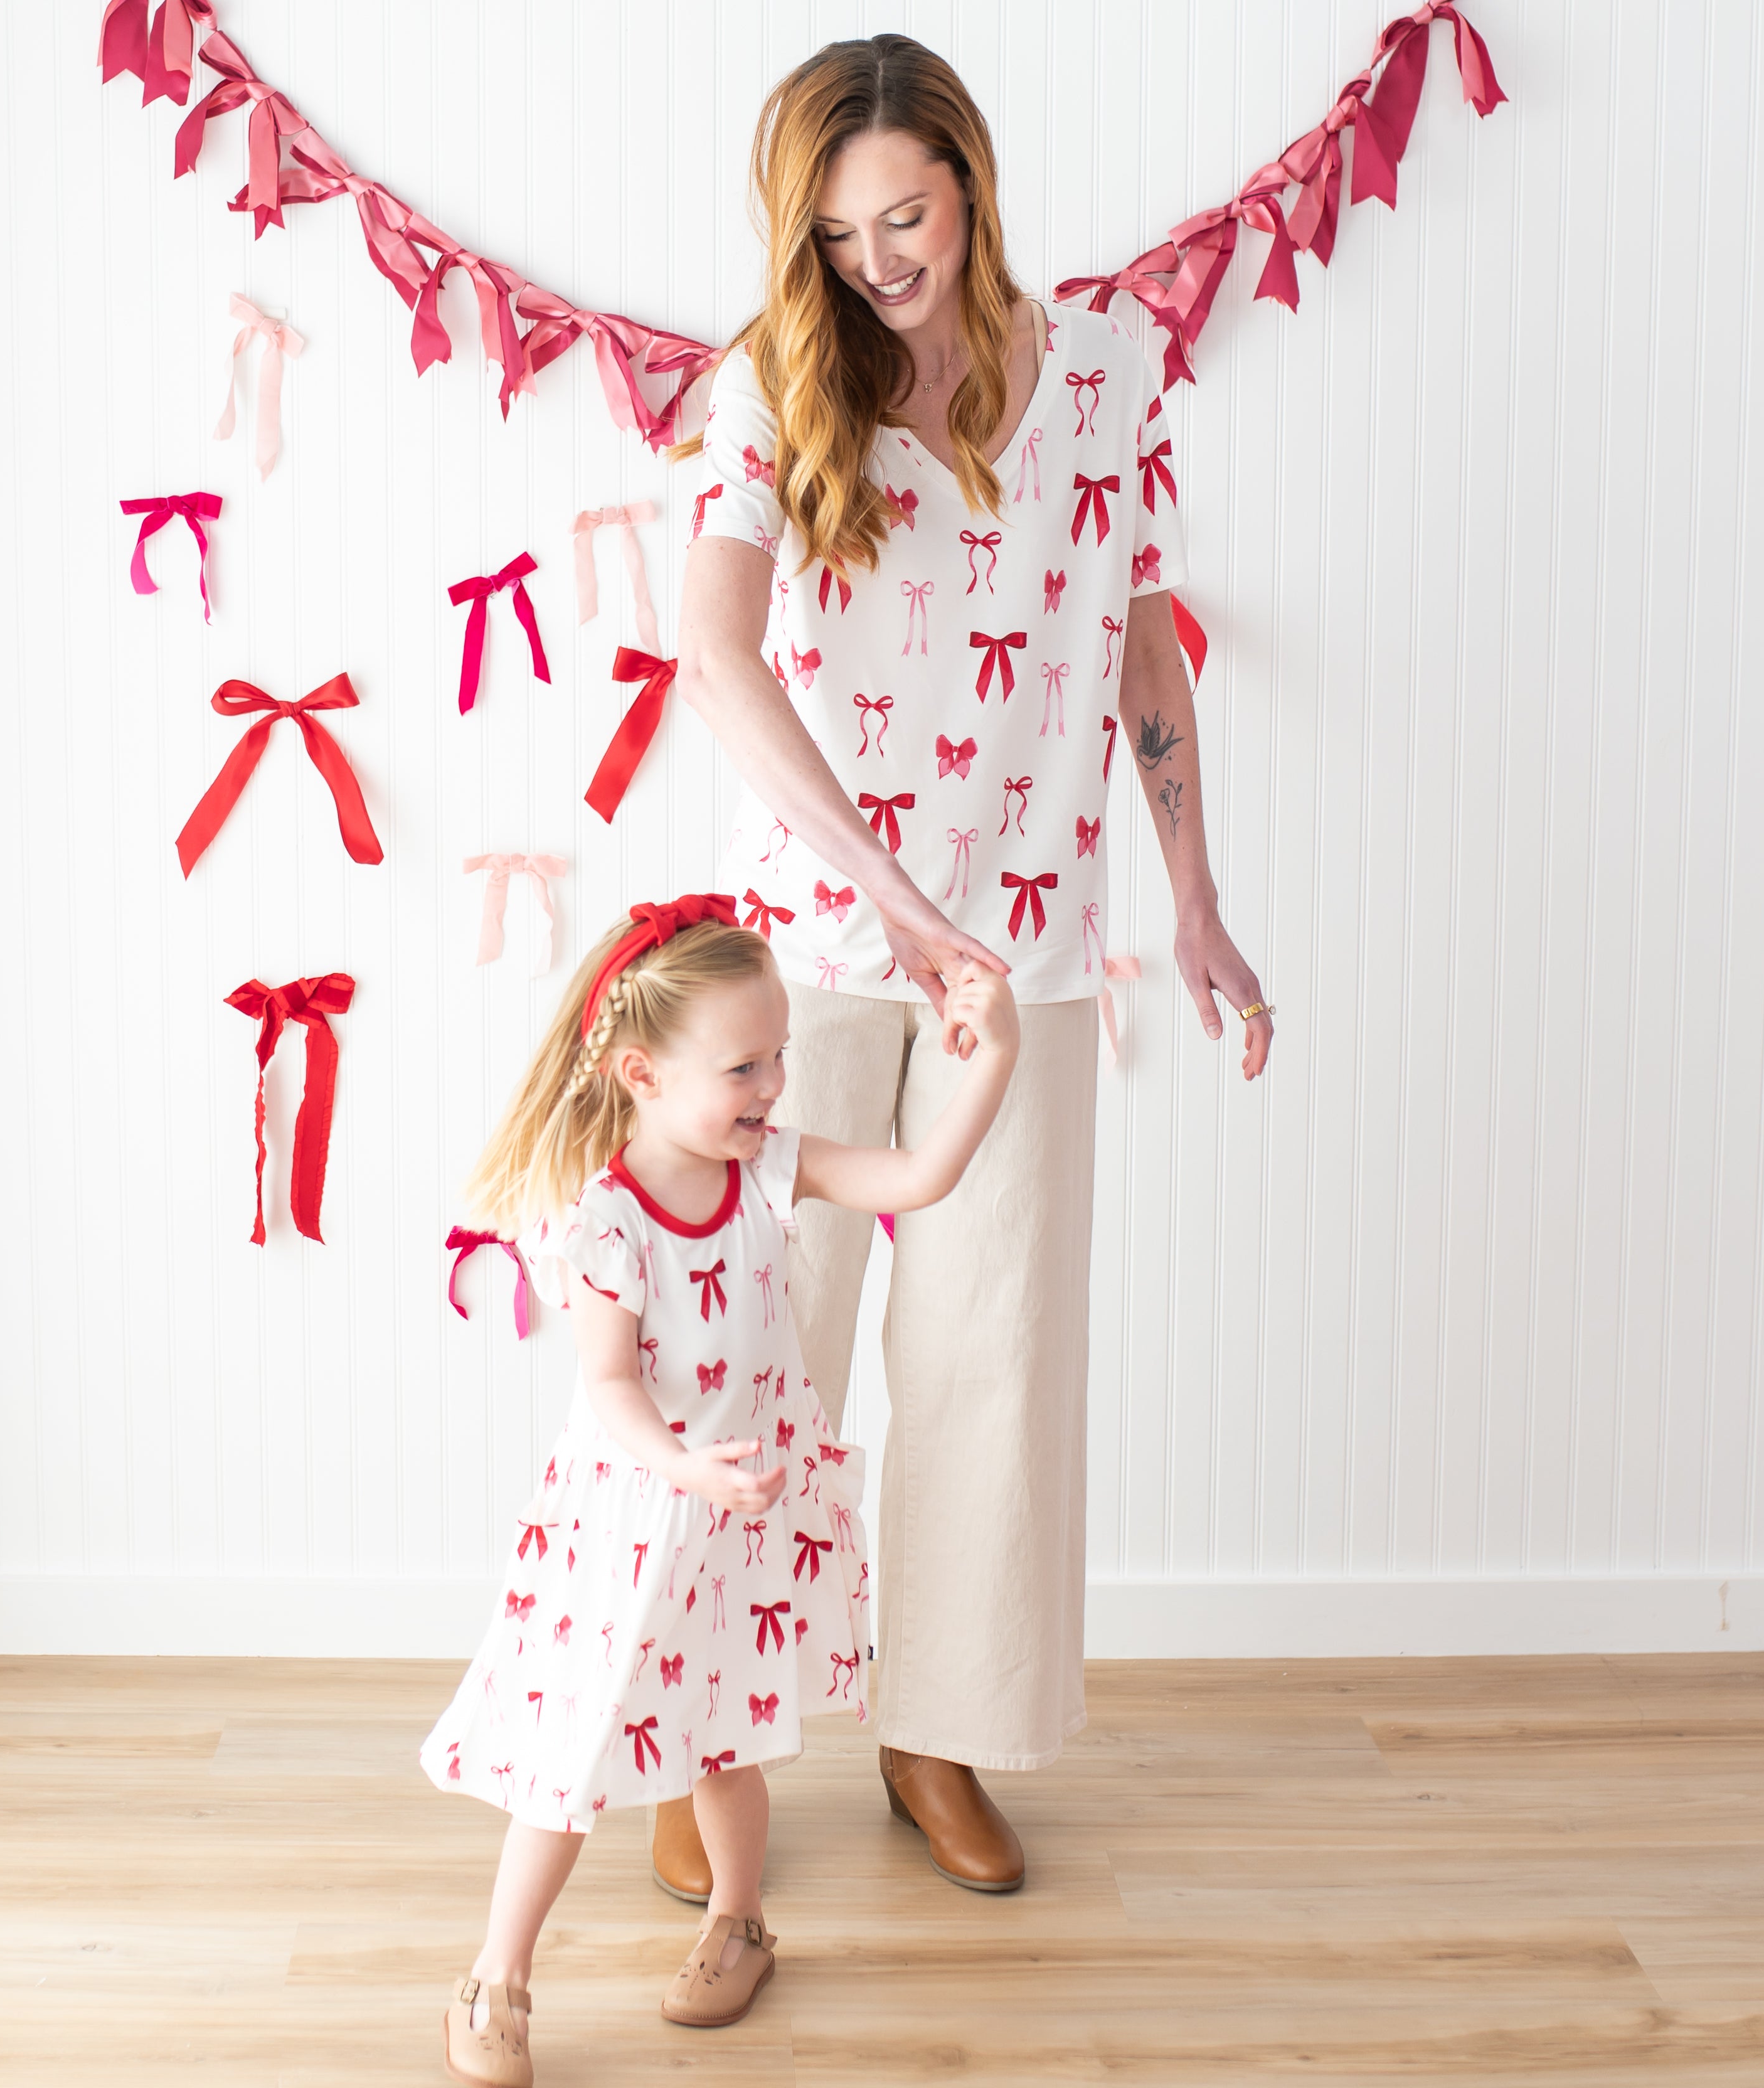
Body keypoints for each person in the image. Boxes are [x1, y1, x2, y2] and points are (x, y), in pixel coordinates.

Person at [666, 35, 1275, 1899]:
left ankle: (936, 1733)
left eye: (907, 215)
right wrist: (893, 898)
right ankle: (719, 1750)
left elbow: (1144, 642)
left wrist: (1195, 895)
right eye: (840, 232)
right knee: (769, 1352)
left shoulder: (1103, 370)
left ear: (972, 184)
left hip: (1034, 948)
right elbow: (718, 660)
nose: (879, 261)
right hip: (818, 956)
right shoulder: (771, 382)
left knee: (990, 1358)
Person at [421, 892, 1017, 2087]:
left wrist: (995, 1053)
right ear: (642, 1073)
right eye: (744, 1065)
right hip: (637, 1516)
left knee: (728, 1741)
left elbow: (916, 1179)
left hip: (741, 1516)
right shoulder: (607, 1220)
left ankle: (739, 1925)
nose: (774, 1086)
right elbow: (607, 1382)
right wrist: (684, 1466)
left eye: (780, 1056)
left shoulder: (768, 1171)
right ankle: (497, 1975)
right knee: (571, 1755)